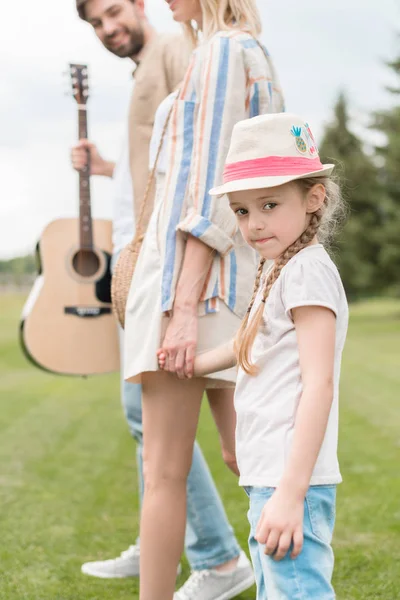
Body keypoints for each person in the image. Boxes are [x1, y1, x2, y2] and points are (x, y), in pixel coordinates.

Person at [72, 0, 254, 594]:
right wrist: (104, 171)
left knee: (197, 448)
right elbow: (171, 159)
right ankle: (186, 547)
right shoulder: (164, 60)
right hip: (146, 261)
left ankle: (216, 555)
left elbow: (206, 171)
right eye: (96, 23)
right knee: (168, 441)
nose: (108, 28)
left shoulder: (190, 49)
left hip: (181, 267)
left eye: (114, 12)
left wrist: (180, 299)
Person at [123, 0, 285, 597]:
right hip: (230, 285)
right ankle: (291, 585)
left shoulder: (220, 53)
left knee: (163, 471)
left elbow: (206, 190)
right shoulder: (249, 51)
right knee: (254, 461)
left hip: (193, 287)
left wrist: (183, 309)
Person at [159, 112, 349, 599]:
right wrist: (191, 364)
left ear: (313, 198)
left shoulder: (306, 271)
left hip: (290, 479)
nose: (254, 223)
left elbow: (318, 385)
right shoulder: (277, 266)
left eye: (269, 204)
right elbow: (246, 344)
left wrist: (290, 494)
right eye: (242, 211)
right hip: (268, 474)